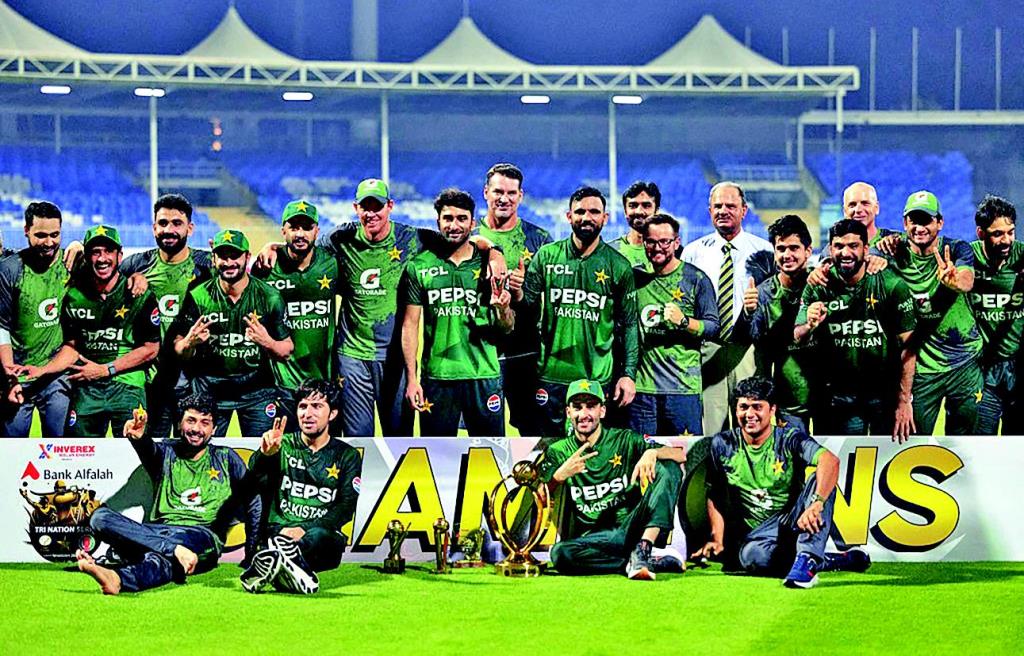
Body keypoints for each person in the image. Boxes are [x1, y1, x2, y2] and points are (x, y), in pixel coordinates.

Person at [256, 178, 506, 437]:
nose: (371, 213)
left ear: (390, 206)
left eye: (378, 207)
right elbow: (302, 245)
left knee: (399, 437)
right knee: (358, 438)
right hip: (353, 356)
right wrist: (272, 247)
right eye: (366, 207)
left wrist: (494, 251)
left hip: (396, 358)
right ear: (356, 208)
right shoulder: (341, 238)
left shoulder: (413, 238)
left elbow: (460, 238)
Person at [692, 376, 870, 589]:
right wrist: (717, 538)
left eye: (757, 407)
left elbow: (830, 461)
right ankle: (828, 560)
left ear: (772, 410)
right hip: (758, 535)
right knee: (751, 558)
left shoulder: (790, 438)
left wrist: (816, 503)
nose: (749, 414)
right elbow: (716, 493)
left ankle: (808, 558)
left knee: (820, 480)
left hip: (794, 519)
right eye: (743, 407)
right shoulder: (722, 444)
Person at [74, 395, 260, 595]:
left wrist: (251, 553)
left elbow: (253, 500)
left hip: (201, 535)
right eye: (191, 420)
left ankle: (118, 577)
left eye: (205, 423)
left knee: (162, 558)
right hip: (156, 532)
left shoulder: (226, 457)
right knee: (100, 518)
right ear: (179, 423)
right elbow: (148, 449)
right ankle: (166, 554)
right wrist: (139, 438)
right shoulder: (165, 453)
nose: (196, 429)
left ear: (214, 429)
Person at [518, 186, 639, 437]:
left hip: (596, 379)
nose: (587, 217)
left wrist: (628, 375)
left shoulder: (618, 266)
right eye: (580, 211)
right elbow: (526, 309)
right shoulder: (547, 256)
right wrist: (514, 292)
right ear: (568, 216)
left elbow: (629, 325)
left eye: (594, 212)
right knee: (549, 452)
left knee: (592, 451)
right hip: (550, 376)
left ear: (605, 218)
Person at [540, 379, 686, 579]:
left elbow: (680, 455)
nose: (583, 414)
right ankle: (638, 561)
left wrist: (652, 452)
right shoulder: (558, 451)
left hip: (633, 525)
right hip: (597, 538)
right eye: (577, 407)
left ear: (602, 411)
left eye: (591, 406)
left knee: (669, 467)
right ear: (568, 412)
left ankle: (643, 547)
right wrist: (558, 477)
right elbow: (539, 498)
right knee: (560, 554)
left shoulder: (623, 439)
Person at [402, 189, 515, 436]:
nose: (454, 225)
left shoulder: (490, 265)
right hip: (438, 377)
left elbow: (507, 328)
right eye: (448, 218)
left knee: (491, 454)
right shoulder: (419, 266)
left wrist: (502, 308)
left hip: (483, 375)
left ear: (473, 223)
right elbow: (410, 325)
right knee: (436, 455)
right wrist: (412, 378)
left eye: (462, 218)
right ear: (438, 222)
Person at [32, 225, 160, 436]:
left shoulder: (139, 295)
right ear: (87, 257)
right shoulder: (74, 296)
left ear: (119, 256)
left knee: (134, 450)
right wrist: (43, 370)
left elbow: (151, 349)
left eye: (108, 251)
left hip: (127, 385)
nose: (102, 258)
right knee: (78, 451)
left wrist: (105, 369)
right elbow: (72, 347)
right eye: (95, 252)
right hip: (87, 385)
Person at [795, 220, 917, 439]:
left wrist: (904, 400)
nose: (845, 253)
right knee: (842, 460)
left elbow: (908, 347)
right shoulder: (818, 285)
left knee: (884, 458)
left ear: (866, 249)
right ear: (830, 249)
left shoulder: (891, 285)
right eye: (839, 246)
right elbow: (797, 336)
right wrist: (809, 325)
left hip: (884, 395)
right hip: (837, 397)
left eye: (853, 246)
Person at [240, 379, 361, 594]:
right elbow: (253, 480)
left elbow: (346, 507)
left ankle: (276, 562)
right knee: (274, 538)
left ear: (332, 414)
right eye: (303, 406)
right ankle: (288, 566)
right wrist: (266, 455)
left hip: (317, 535)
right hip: (278, 529)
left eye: (317, 406)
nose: (307, 414)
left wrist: (303, 529)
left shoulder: (347, 455)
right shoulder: (282, 444)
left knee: (324, 539)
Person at [170, 229, 293, 437]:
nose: (229, 262)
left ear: (247, 257)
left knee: (263, 451)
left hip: (257, 392)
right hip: (209, 392)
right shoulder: (199, 296)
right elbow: (179, 348)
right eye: (223, 256)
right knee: (203, 452)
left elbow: (287, 350)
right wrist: (189, 343)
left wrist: (267, 342)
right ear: (214, 259)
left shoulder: (269, 296)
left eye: (235, 256)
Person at [878, 191, 983, 435]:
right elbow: (865, 249)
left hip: (963, 364)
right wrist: (875, 255)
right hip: (922, 370)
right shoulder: (892, 252)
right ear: (905, 223)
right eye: (913, 221)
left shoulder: (956, 248)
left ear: (940, 222)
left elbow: (967, 280)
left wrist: (955, 282)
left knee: (964, 444)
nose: (919, 228)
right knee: (915, 443)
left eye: (926, 220)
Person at [119, 193, 213, 437]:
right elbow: (99, 275)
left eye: (176, 223)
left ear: (190, 228)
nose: (169, 230)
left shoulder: (207, 265)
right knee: (152, 447)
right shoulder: (135, 265)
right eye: (162, 223)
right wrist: (76, 247)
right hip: (152, 378)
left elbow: (246, 276)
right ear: (154, 228)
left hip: (194, 379)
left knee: (191, 448)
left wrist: (273, 247)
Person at [682, 182, 773, 435]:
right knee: (713, 430)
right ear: (709, 210)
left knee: (752, 426)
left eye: (730, 206)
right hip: (709, 349)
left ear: (744, 210)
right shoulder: (692, 253)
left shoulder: (764, 251)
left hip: (748, 351)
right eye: (718, 206)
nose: (723, 211)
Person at [475, 163, 552, 437]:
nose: (504, 198)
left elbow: (547, 302)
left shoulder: (539, 240)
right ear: (486, 192)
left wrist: (522, 291)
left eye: (511, 193)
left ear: (520, 196)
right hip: (478, 354)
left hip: (525, 354)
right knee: (482, 437)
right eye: (498, 191)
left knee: (533, 434)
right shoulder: (469, 236)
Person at [252, 200, 338, 430]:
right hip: (281, 385)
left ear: (317, 231)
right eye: (294, 227)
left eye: (307, 228)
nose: (300, 234)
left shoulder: (332, 264)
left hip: (324, 383)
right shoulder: (266, 266)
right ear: (283, 230)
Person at [632, 213, 718, 435]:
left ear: (676, 242)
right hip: (643, 389)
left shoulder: (696, 279)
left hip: (682, 389)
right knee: (643, 454)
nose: (657, 248)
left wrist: (684, 322)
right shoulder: (635, 278)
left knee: (685, 453)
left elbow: (712, 327)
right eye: (651, 242)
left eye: (664, 242)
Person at [735, 215, 818, 431]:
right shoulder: (763, 293)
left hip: (828, 398)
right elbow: (749, 338)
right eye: (781, 249)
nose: (787, 255)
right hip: (788, 400)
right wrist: (748, 312)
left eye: (794, 248)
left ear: (808, 251)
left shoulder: (822, 285)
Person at [0, 201, 73, 436]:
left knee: (60, 448)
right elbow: (2, 327)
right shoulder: (10, 269)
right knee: (12, 448)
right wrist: (10, 376)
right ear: (26, 231)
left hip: (56, 374)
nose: (49, 242)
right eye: (41, 235)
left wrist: (79, 245)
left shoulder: (72, 264)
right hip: (19, 374)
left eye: (55, 235)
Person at [968, 195, 1024, 434]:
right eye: (998, 234)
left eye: (1011, 232)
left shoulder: (1021, 255)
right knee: (981, 442)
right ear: (981, 233)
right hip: (983, 370)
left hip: (1018, 367)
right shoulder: (967, 257)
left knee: (1017, 445)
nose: (1006, 240)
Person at [612, 181, 662, 270]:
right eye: (633, 206)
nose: (639, 211)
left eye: (646, 206)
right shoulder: (611, 252)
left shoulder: (672, 252)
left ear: (657, 211)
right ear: (625, 211)